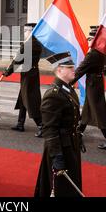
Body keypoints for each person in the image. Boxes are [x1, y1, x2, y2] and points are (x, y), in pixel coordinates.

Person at [34, 52, 82, 197]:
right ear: (59, 70)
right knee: (60, 187)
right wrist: (57, 156)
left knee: (71, 183)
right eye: (69, 67)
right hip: (60, 148)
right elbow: (49, 129)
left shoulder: (68, 89)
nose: (74, 69)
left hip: (70, 144)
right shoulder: (53, 94)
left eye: (73, 66)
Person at [70, 26, 106, 150]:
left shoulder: (93, 53)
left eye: (90, 38)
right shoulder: (101, 51)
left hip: (93, 84)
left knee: (98, 111)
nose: (88, 40)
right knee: (87, 110)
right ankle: (78, 133)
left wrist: (68, 81)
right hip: (96, 82)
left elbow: (80, 70)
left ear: (95, 40)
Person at [3, 23, 43, 137]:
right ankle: (20, 123)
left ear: (31, 32)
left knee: (29, 99)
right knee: (23, 98)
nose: (24, 32)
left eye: (26, 30)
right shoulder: (37, 44)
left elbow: (18, 61)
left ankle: (41, 125)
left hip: (28, 74)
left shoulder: (28, 45)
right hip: (32, 73)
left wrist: (7, 72)